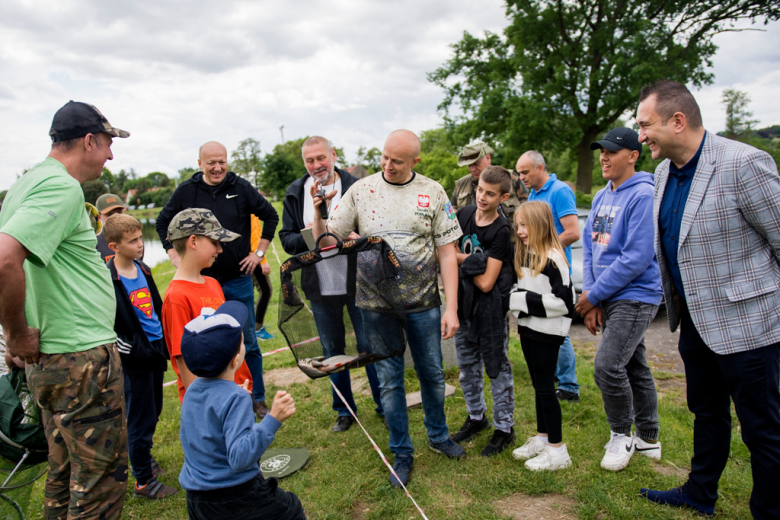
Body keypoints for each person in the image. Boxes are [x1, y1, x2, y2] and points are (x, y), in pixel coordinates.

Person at [636, 80, 780, 518]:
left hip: (749, 324)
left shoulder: (745, 163)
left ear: (678, 121)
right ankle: (700, 495)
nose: (640, 136)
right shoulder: (661, 174)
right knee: (707, 412)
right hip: (694, 320)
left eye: (646, 125)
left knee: (762, 429)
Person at [310, 129, 465, 487]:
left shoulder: (433, 191)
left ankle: (439, 436)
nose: (388, 165)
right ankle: (402, 452)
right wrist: (320, 212)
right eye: (384, 157)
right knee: (391, 381)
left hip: (424, 303)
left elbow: (447, 253)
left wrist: (451, 307)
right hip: (376, 306)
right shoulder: (361, 191)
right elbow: (328, 242)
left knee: (432, 373)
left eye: (397, 160)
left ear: (415, 161)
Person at [0, 100, 129, 519]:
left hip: (53, 358)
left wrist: (17, 331)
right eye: (108, 143)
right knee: (99, 483)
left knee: (65, 474)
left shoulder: (24, 185)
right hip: (80, 358)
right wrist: (16, 333)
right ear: (89, 140)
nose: (111, 154)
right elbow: (4, 259)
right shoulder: (61, 186)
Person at [156, 141, 279, 419]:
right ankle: (212, 400)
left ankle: (255, 397)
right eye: (211, 162)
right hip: (201, 280)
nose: (217, 167)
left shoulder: (241, 187)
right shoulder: (187, 191)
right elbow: (162, 222)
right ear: (199, 164)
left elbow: (270, 215)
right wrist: (174, 255)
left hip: (236, 279)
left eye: (222, 161)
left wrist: (258, 253)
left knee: (245, 340)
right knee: (206, 341)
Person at [278, 135, 384, 432]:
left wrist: (350, 236)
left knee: (368, 345)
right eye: (309, 160)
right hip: (319, 283)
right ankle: (344, 410)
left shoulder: (356, 186)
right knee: (332, 349)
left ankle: (382, 404)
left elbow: (373, 228)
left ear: (333, 155)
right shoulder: (296, 192)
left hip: (358, 280)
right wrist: (315, 235)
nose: (316, 165)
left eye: (320, 158)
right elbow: (287, 240)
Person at [573, 128, 664, 472]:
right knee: (633, 365)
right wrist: (593, 298)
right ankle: (648, 438)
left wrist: (593, 294)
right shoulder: (600, 196)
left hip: (636, 295)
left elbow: (637, 256)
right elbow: (592, 249)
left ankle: (621, 435)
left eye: (612, 151)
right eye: (601, 151)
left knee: (607, 366)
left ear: (633, 155)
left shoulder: (642, 195)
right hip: (608, 295)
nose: (604, 157)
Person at [178, 301, 305, 520]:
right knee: (291, 509)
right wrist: (273, 419)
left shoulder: (192, 391)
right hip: (235, 495)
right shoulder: (235, 398)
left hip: (197, 499)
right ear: (237, 358)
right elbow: (239, 457)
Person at [104, 214, 178, 499]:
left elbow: (155, 308)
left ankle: (145, 460)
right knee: (139, 418)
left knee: (154, 411)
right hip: (134, 358)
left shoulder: (143, 269)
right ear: (114, 246)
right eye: (132, 241)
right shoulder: (108, 278)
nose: (140, 245)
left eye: (139, 238)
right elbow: (105, 320)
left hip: (155, 349)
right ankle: (143, 482)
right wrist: (125, 345)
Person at [451, 166, 517, 456]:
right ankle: (476, 417)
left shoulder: (501, 230)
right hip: (464, 306)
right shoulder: (463, 215)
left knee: (497, 368)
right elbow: (445, 254)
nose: (482, 197)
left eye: (490, 194)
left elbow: (488, 281)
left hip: (490, 312)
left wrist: (460, 258)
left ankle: (505, 427)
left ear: (503, 197)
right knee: (467, 370)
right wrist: (476, 260)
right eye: (479, 190)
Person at [160, 208, 254, 404]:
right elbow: (183, 359)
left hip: (236, 392)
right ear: (193, 241)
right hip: (212, 403)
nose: (220, 249)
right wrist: (209, 404)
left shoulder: (212, 283)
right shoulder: (177, 296)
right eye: (214, 242)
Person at [509, 201, 575, 471]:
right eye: (517, 226)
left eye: (524, 225)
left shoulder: (554, 258)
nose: (520, 231)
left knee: (547, 389)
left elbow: (565, 303)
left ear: (539, 223)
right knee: (538, 386)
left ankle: (558, 451)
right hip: (529, 329)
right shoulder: (527, 253)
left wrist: (521, 299)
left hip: (548, 332)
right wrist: (520, 298)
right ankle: (542, 438)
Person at [518, 151, 581, 402]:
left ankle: (569, 386)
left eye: (525, 172)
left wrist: (545, 251)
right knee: (541, 324)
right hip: (537, 270)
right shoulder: (534, 193)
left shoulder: (560, 191)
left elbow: (573, 232)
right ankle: (554, 376)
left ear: (540, 167)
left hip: (554, 269)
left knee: (557, 328)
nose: (521, 177)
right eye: (519, 173)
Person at [451, 139, 527, 224]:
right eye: (469, 165)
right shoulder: (460, 184)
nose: (472, 169)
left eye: (476, 164)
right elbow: (451, 211)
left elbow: (527, 208)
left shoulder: (511, 178)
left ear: (488, 158)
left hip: (508, 235)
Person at [249, 214, 274, 341]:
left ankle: (251, 328)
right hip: (253, 257)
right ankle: (257, 329)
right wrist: (262, 260)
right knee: (266, 291)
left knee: (249, 293)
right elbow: (254, 237)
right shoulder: (250, 206)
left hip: (246, 256)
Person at [95, 192, 128, 262]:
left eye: (119, 213)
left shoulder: (135, 238)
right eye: (109, 214)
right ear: (99, 216)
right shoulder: (94, 245)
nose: (115, 217)